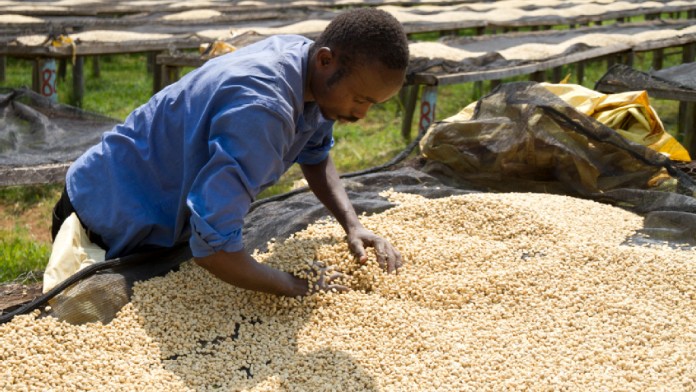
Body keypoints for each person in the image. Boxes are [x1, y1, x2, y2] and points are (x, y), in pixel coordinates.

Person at [50, 8, 408, 297]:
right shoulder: (264, 111)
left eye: (372, 104)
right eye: (360, 99)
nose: (361, 115)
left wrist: (353, 225)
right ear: (326, 60)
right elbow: (215, 251)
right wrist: (297, 286)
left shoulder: (308, 66)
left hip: (151, 209)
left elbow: (314, 153)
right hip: (100, 222)